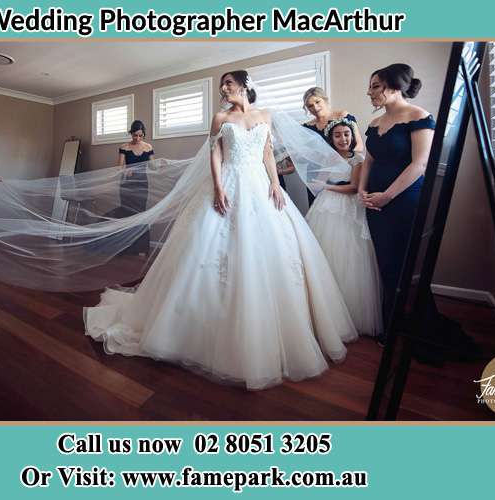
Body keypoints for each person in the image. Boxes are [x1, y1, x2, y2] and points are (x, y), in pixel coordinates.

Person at [83, 70, 357, 390]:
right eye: (221, 85)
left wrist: (274, 184)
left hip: (259, 185)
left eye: (228, 83)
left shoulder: (265, 116)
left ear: (245, 85)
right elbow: (215, 153)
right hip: (228, 182)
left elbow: (267, 153)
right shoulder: (220, 118)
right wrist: (218, 187)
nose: (224, 89)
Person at [359, 64, 435, 342]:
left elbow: (420, 163)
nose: (370, 92)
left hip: (404, 200)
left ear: (395, 86)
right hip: (373, 201)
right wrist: (362, 191)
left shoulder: (419, 116)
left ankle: (410, 324)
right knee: (384, 261)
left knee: (404, 261)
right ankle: (390, 322)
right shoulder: (374, 124)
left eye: (375, 86)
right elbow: (368, 161)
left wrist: (387, 195)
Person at [305, 118, 383, 336]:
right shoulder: (327, 158)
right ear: (331, 138)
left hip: (346, 208)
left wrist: (327, 187)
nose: (343, 139)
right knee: (323, 253)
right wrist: (320, 183)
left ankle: (348, 311)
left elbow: (354, 187)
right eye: (338, 135)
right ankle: (324, 308)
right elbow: (317, 182)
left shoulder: (357, 160)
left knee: (346, 254)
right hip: (325, 208)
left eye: (346, 134)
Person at [279, 87, 364, 206]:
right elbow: (301, 153)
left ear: (325, 99)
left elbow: (359, 146)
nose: (315, 108)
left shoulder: (343, 116)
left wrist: (343, 162)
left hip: (343, 172)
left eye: (317, 102)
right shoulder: (306, 127)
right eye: (310, 106)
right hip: (316, 174)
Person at [117, 120, 154, 256]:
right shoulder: (124, 147)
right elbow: (119, 167)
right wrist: (125, 170)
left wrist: (161, 164)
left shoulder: (148, 147)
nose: (137, 138)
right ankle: (126, 247)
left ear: (143, 134)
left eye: (140, 136)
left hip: (142, 184)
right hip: (127, 184)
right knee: (126, 213)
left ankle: (141, 248)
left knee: (141, 214)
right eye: (134, 135)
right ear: (131, 134)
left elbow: (152, 166)